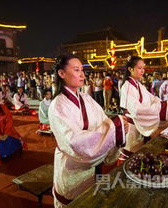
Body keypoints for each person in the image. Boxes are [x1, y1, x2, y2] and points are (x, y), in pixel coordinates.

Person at [48, 54, 128, 207]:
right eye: (76, 70)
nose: (82, 74)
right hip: (71, 167)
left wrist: (119, 127)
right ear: (62, 73)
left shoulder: (86, 98)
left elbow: (103, 121)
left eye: (82, 70)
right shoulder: (57, 105)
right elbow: (73, 141)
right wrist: (114, 128)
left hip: (94, 165)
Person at [119, 56, 168, 164]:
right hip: (132, 128)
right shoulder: (127, 87)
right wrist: (164, 105)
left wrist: (164, 103)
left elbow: (153, 99)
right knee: (130, 157)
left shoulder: (139, 86)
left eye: (143, 68)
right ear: (130, 69)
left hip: (140, 125)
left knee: (139, 156)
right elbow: (138, 110)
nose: (142, 71)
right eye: (139, 68)